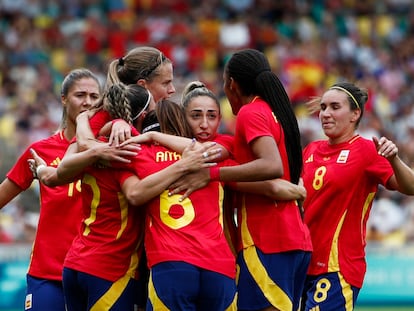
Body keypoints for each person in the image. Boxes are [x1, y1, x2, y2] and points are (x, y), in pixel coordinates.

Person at [154, 49, 313, 311]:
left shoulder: (250, 114)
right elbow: (273, 180)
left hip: (265, 239)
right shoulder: (271, 113)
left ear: (231, 84)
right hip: (290, 239)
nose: (205, 123)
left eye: (212, 115)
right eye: (195, 115)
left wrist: (212, 174)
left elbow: (271, 169)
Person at [300, 82, 414, 311]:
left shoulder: (366, 150)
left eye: (334, 107)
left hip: (337, 265)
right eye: (323, 107)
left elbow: (410, 187)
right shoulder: (311, 150)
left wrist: (394, 159)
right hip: (302, 264)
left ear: (355, 114)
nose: (326, 114)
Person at [0, 68, 101, 311]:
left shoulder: (108, 149)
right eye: (80, 95)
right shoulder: (41, 150)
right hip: (48, 273)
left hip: (96, 272)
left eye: (94, 96)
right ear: (64, 99)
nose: (87, 102)